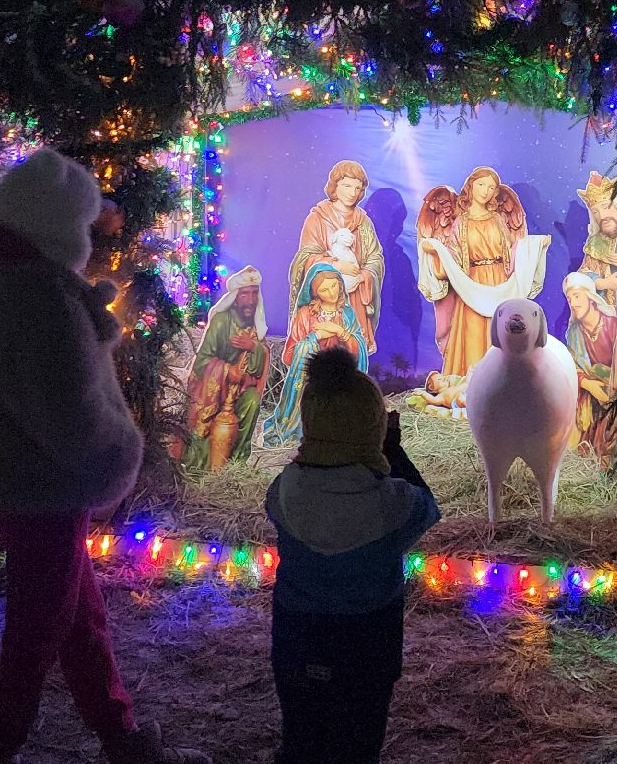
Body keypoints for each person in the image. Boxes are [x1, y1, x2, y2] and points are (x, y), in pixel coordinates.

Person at [0, 148, 208, 764]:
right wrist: (112, 459)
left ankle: (119, 732)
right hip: (43, 486)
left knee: (79, 613)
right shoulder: (39, 300)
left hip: (3, 478)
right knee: (38, 626)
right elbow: (68, 410)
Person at [266, 350, 440, 763]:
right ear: (372, 429)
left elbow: (275, 507)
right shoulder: (391, 502)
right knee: (361, 737)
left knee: (301, 728)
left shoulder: (286, 489)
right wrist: (394, 455)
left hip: (296, 632)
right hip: (369, 640)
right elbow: (427, 508)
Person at [415, 166, 549, 377]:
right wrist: (436, 250)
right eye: (481, 184)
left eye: (491, 187)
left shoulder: (497, 219)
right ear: (471, 185)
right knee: (474, 334)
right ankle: (470, 389)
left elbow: (511, 252)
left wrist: (536, 245)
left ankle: (504, 384)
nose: (486, 191)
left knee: (500, 330)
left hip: (499, 282)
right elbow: (454, 261)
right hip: (472, 286)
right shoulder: (461, 222)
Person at [260, 262, 369, 448]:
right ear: (315, 293)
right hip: (310, 378)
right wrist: (316, 337)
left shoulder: (348, 314)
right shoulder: (305, 315)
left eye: (335, 286)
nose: (332, 293)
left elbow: (359, 349)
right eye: (325, 289)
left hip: (338, 376)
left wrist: (339, 331)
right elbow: (289, 356)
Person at [179, 266, 270, 473]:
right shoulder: (221, 322)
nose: (250, 300)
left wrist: (253, 347)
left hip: (239, 390)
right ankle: (203, 463)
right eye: (245, 294)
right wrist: (229, 371)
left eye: (255, 293)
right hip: (212, 388)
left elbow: (260, 362)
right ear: (235, 297)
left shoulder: (256, 325)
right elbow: (202, 361)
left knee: (253, 401)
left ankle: (236, 461)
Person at [288, 161, 384, 354]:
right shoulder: (317, 218)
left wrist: (362, 276)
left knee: (351, 351)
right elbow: (305, 257)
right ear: (334, 186)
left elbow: (375, 258)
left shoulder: (364, 222)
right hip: (326, 297)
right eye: (347, 186)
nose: (352, 193)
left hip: (355, 296)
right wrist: (336, 265)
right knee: (325, 352)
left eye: (358, 188)